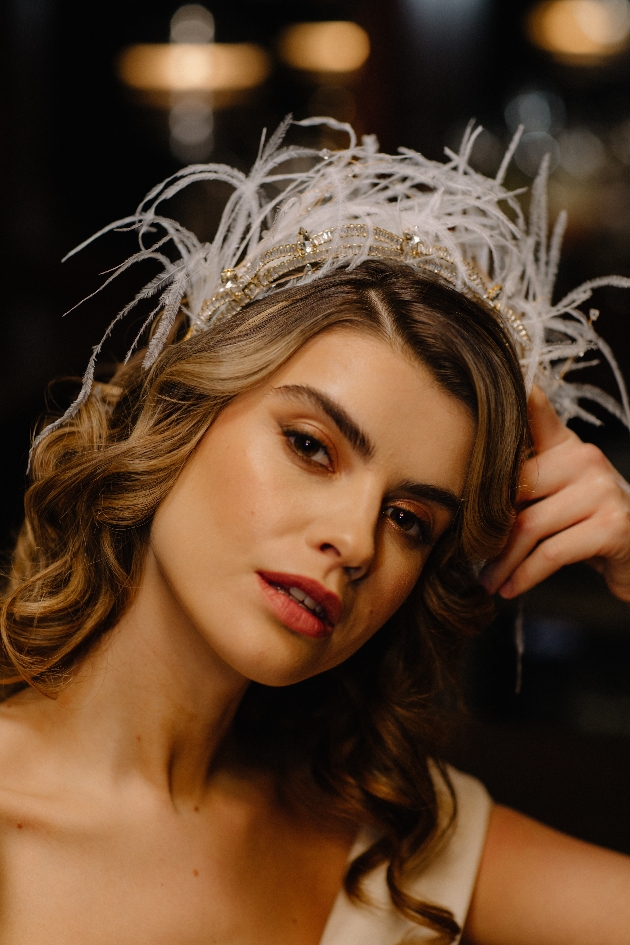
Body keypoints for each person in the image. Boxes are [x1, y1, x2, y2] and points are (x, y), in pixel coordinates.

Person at [1, 118, 630, 945]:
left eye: (409, 519)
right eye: (311, 446)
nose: (358, 541)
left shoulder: (403, 846)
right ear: (181, 412)